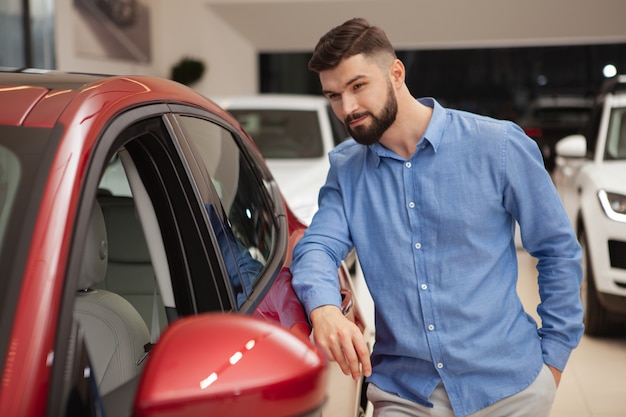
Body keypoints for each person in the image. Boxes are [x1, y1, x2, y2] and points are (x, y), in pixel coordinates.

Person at [290, 17, 583, 417]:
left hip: (510, 388)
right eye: (334, 96)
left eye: (358, 86)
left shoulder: (497, 146)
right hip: (406, 395)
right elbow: (317, 247)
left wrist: (553, 362)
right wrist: (322, 307)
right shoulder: (347, 169)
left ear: (396, 73)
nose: (348, 108)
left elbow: (557, 251)